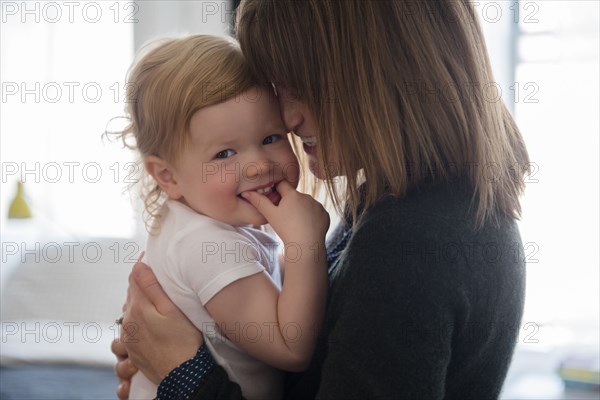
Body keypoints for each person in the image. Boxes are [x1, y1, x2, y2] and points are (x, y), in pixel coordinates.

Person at [113, 0, 531, 398]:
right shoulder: (408, 206)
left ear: (376, 73)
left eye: (302, 86)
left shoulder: (414, 242)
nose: (290, 119)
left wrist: (179, 371)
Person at [112, 34, 329, 400]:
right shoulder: (207, 246)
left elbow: (265, 279)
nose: (260, 165)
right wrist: (305, 245)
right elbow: (292, 347)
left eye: (271, 137)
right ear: (168, 176)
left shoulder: (200, 223)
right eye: (225, 153)